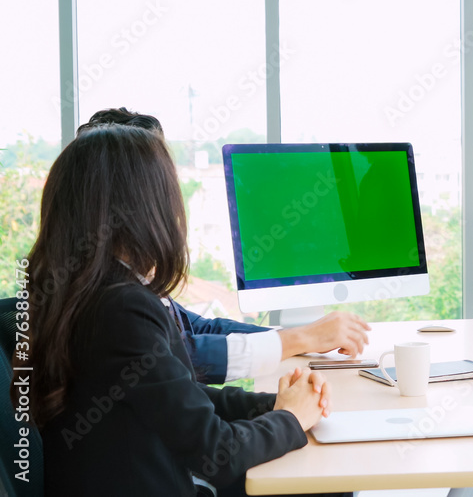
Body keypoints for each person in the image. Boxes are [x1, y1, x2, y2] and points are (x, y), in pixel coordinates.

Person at [29, 125, 335, 495]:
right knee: (322, 483)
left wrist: (276, 404)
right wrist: (290, 418)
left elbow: (184, 399)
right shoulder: (120, 309)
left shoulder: (84, 294)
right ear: (144, 208)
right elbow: (215, 453)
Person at [78, 107, 371, 385]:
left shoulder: (127, 277)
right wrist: (303, 339)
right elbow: (183, 356)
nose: (171, 197)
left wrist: (304, 336)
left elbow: (201, 330)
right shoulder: (108, 297)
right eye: (161, 181)